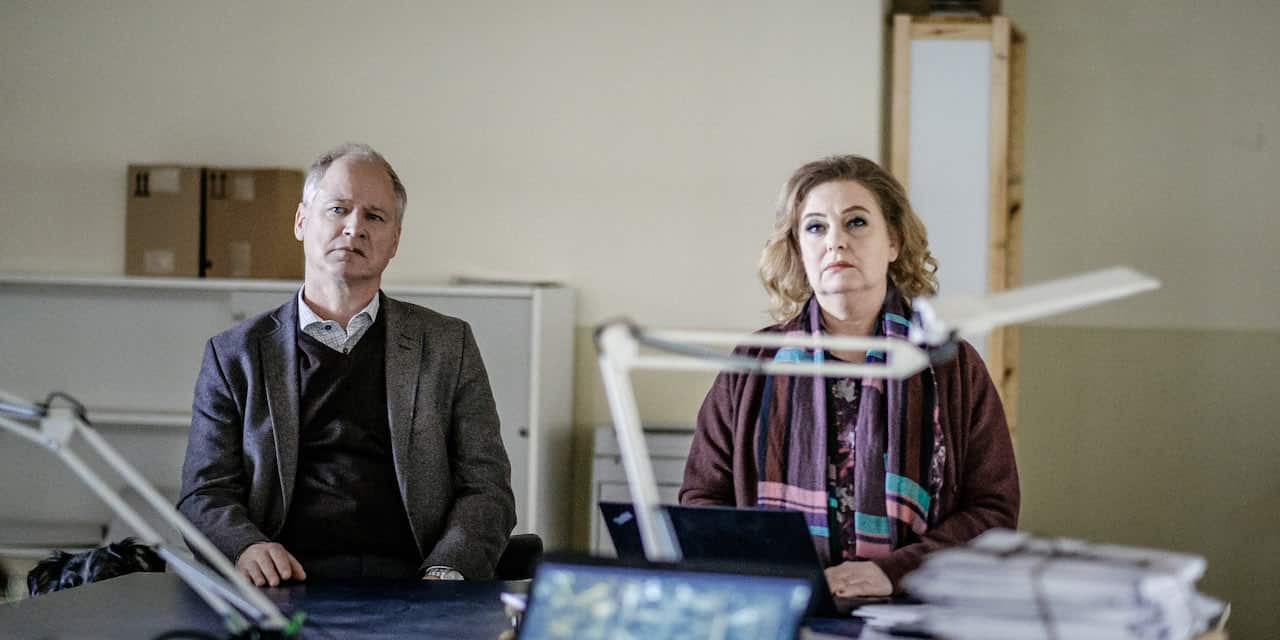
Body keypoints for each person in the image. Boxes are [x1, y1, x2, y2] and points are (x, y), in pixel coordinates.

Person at [680, 155, 1018, 597]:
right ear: (799, 248)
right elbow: (702, 499)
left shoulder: (951, 364)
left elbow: (993, 511)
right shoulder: (754, 362)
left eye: (856, 222)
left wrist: (895, 572)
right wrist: (776, 578)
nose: (836, 241)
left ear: (893, 241)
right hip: (784, 606)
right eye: (816, 227)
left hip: (912, 608)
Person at [178, 143, 515, 586]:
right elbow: (205, 492)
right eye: (338, 209)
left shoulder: (448, 345)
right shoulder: (234, 355)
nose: (354, 227)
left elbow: (486, 487)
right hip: (281, 586)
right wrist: (246, 546)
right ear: (301, 221)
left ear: (394, 240)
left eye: (375, 216)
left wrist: (448, 568)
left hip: (417, 584)